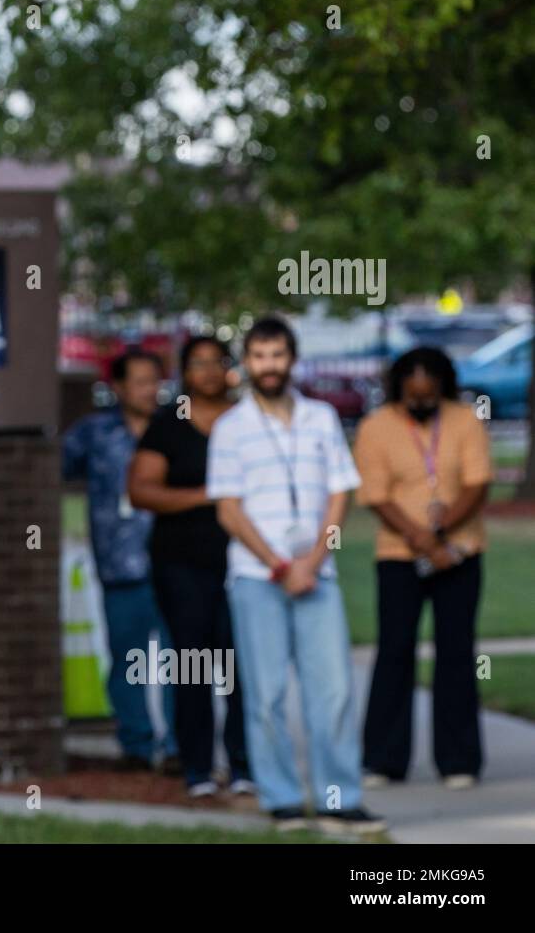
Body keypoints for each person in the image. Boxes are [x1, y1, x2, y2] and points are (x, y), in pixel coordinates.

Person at [206, 316, 384, 835]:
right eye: (259, 356)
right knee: (265, 696)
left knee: (332, 691)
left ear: (292, 358)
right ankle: (282, 799)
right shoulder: (230, 428)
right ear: (247, 363)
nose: (269, 366)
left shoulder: (321, 417)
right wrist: (280, 566)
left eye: (277, 355)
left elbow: (339, 493)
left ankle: (339, 797)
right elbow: (229, 511)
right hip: (256, 577)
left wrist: (312, 561)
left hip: (317, 576)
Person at [354, 347, 491, 789]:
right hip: (398, 554)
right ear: (398, 390)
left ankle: (458, 761)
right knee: (395, 651)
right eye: (413, 398)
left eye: (428, 398)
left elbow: (477, 483)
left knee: (456, 652)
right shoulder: (376, 427)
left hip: (460, 552)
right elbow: (375, 494)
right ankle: (383, 759)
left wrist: (443, 532)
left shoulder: (464, 420)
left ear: (442, 388)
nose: (421, 405)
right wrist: (421, 539)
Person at [130, 336, 251, 798]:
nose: (207, 372)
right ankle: (198, 768)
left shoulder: (247, 420)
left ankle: (244, 765)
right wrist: (208, 495)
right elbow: (141, 490)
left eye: (215, 362)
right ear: (184, 372)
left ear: (229, 368)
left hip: (244, 562)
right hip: (182, 565)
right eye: (196, 364)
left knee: (241, 664)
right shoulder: (169, 423)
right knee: (194, 664)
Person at [62, 351, 178, 774]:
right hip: (119, 567)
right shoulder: (93, 433)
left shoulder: (174, 428)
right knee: (126, 660)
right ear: (119, 387)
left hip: (173, 564)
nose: (151, 390)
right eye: (142, 381)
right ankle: (136, 745)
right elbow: (52, 469)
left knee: (176, 661)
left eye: (155, 380)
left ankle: (179, 749)